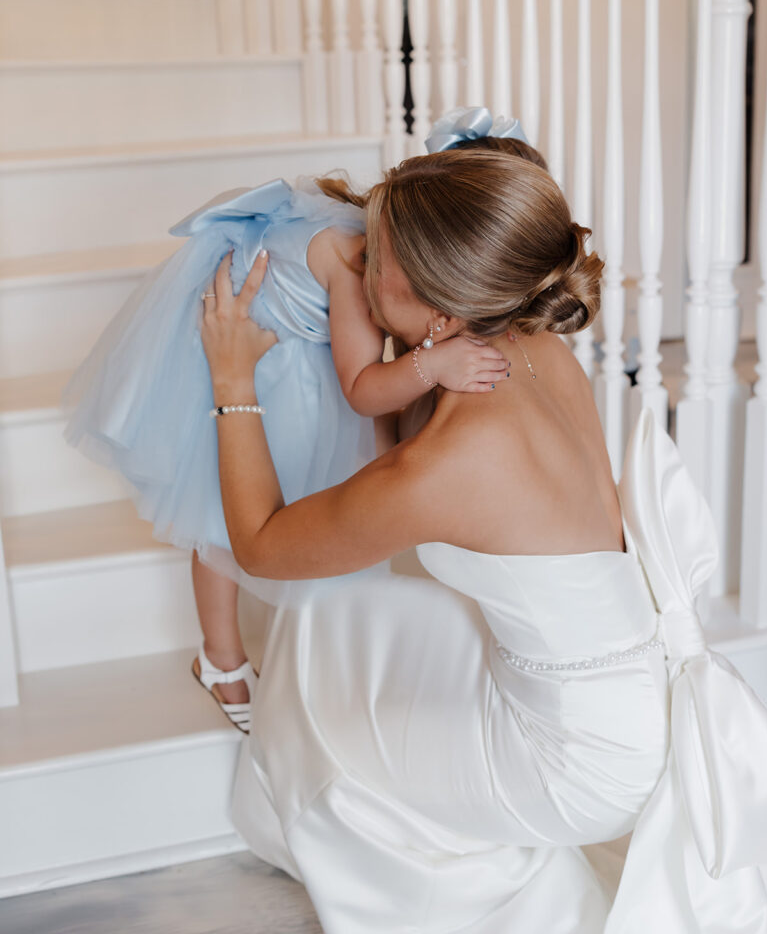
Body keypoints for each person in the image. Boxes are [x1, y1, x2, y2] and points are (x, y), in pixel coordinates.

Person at [198, 145, 767, 932]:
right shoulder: (534, 348)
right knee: (332, 620)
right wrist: (407, 359)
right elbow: (394, 447)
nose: (354, 266)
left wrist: (231, 382)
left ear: (441, 311)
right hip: (635, 697)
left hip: (579, 764)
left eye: (374, 258)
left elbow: (258, 544)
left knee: (337, 759)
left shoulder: (447, 464)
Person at [61, 139, 514, 731]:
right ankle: (219, 656)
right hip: (269, 365)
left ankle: (319, 639)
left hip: (301, 353)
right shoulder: (355, 269)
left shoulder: (374, 236)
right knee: (221, 520)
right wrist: (436, 363)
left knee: (332, 498)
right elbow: (360, 386)